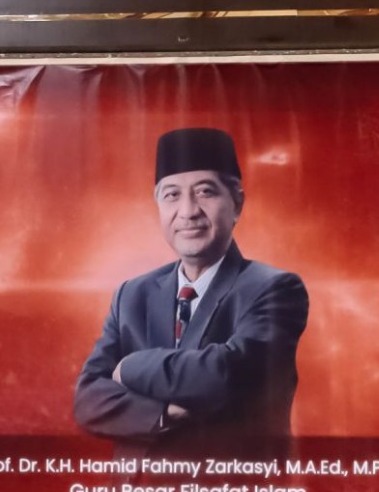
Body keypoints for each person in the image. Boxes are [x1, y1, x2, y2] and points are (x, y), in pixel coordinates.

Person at [73, 127, 309, 454]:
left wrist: (129, 368)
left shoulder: (274, 288)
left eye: (205, 192)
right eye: (171, 194)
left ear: (237, 203)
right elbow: (87, 399)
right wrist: (162, 414)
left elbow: (224, 375)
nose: (188, 211)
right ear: (158, 205)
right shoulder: (132, 294)